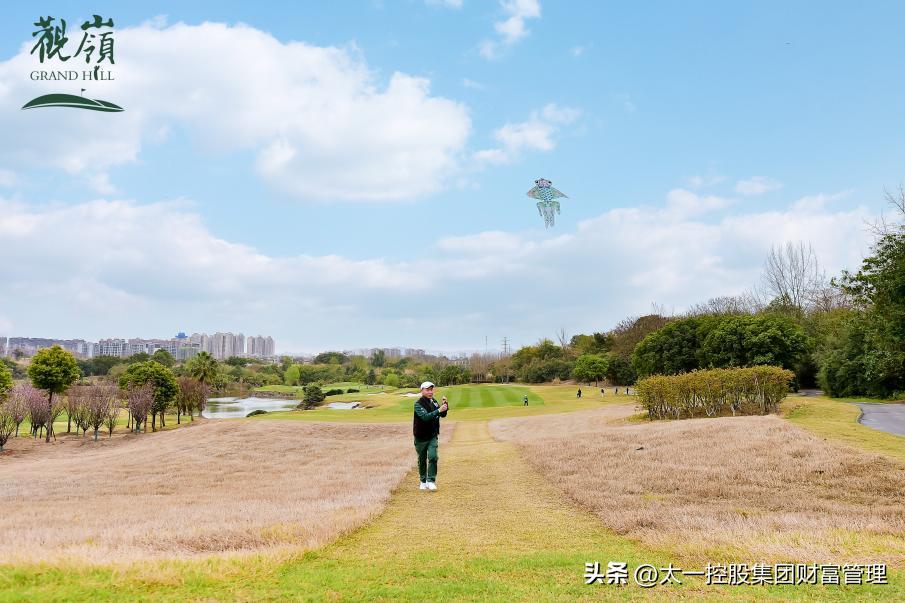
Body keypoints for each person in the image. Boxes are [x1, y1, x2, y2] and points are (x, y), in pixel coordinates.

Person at [413, 381, 448, 491]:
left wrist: (445, 405)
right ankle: (423, 481)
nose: (430, 392)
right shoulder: (418, 404)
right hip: (420, 437)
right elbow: (425, 417)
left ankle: (431, 481)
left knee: (433, 457)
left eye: (431, 390)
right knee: (422, 459)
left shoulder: (434, 402)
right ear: (422, 391)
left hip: (432, 435)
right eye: (427, 390)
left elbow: (442, 414)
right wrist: (439, 410)